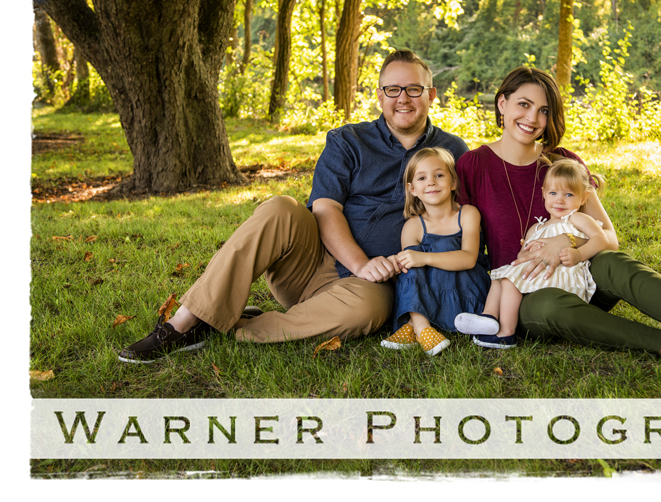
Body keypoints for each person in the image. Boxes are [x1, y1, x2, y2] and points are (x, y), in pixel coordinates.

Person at [118, 50, 468, 363]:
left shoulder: (453, 151)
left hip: (371, 286)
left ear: (431, 95)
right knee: (281, 207)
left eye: (414, 89)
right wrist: (359, 263)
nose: (403, 98)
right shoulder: (347, 140)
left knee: (367, 310)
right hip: (309, 263)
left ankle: (228, 326)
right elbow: (325, 208)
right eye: (393, 89)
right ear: (379, 95)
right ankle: (183, 323)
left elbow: (467, 217)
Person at [455, 66, 661, 379]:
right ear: (502, 103)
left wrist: (568, 242)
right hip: (527, 297)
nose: (533, 118)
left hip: (581, 277)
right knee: (549, 304)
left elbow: (610, 238)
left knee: (612, 261)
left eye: (543, 110)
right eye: (524, 105)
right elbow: (459, 241)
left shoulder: (564, 163)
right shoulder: (473, 165)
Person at [456, 158, 606, 349]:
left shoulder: (577, 218)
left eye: (568, 194)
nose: (559, 200)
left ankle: (506, 333)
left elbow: (601, 239)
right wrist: (528, 250)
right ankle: (489, 317)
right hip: (540, 274)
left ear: (583, 198)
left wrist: (579, 254)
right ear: (544, 194)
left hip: (561, 276)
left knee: (510, 281)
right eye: (553, 193)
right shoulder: (537, 227)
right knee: (499, 276)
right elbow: (521, 258)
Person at [379, 147, 490, 356]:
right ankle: (423, 327)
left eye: (439, 175)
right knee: (408, 265)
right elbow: (413, 275)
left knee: (439, 249)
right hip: (432, 296)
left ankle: (413, 327)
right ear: (412, 189)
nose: (431, 182)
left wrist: (424, 257)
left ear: (453, 182)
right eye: (422, 178)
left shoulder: (468, 214)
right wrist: (405, 260)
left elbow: (468, 259)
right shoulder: (413, 226)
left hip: (467, 291)